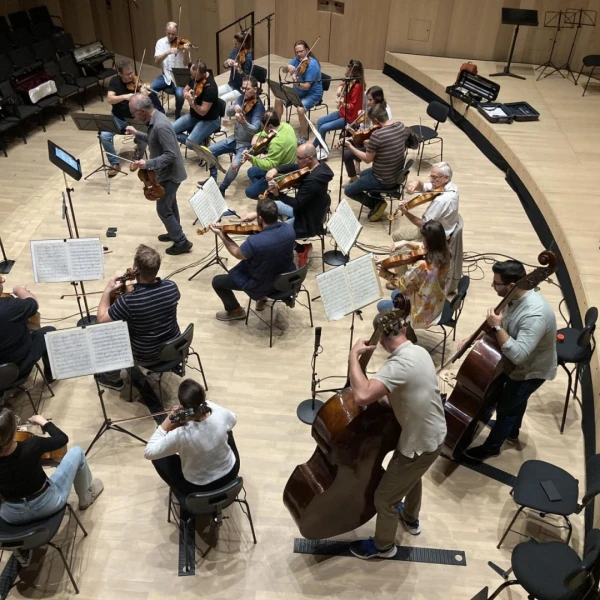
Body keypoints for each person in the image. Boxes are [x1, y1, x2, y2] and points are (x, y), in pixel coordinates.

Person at [348, 312, 446, 559]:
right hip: (435, 434)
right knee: (412, 477)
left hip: (419, 443)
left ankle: (383, 547)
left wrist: (353, 356)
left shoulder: (397, 366)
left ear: (380, 341)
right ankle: (410, 519)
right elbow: (399, 391)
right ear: (404, 329)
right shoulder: (419, 352)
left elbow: (361, 395)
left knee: (384, 499)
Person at [463, 260, 557, 461]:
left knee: (506, 408)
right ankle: (512, 432)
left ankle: (491, 448)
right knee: (516, 402)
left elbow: (519, 355)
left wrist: (497, 327)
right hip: (517, 365)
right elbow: (502, 323)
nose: (492, 286)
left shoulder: (534, 315)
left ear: (512, 285)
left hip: (529, 370)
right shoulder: (513, 296)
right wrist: (474, 337)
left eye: (496, 283)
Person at [95, 245, 181, 417]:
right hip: (174, 347)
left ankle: (113, 379)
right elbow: (152, 300)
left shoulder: (128, 302)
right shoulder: (171, 287)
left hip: (147, 356)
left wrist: (108, 289)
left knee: (108, 335)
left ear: (135, 269)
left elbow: (101, 319)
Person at [0, 409, 103, 530]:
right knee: (77, 452)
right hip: (47, 506)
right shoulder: (32, 445)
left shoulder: (31, 446)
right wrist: (43, 422)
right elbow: (62, 438)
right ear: (14, 431)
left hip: (12, 516)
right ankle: (85, 498)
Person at [144, 379, 239, 503]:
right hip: (230, 474)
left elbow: (148, 452)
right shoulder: (221, 415)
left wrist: (165, 425)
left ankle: (182, 495)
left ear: (182, 404)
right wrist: (207, 404)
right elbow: (233, 419)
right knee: (227, 431)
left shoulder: (180, 435)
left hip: (199, 487)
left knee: (158, 459)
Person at [241, 143, 333, 267]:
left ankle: (302, 249)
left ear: (310, 159)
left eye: (299, 158)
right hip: (306, 210)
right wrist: (276, 169)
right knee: (273, 204)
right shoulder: (318, 166)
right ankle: (257, 215)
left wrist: (278, 193)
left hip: (307, 221)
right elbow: (294, 166)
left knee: (275, 234)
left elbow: (297, 203)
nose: (297, 161)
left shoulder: (313, 181)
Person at [126, 94, 192, 255]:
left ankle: (181, 241)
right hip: (166, 172)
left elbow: (171, 155)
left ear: (142, 111)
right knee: (171, 204)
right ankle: (174, 231)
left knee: (163, 209)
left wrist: (148, 163)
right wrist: (136, 133)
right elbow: (153, 139)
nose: (133, 117)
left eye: (133, 113)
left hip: (171, 174)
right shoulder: (155, 119)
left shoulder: (160, 126)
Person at [210, 198, 296, 321]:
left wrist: (222, 234)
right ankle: (265, 298)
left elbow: (237, 253)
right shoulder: (289, 229)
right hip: (286, 279)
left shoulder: (254, 242)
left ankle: (235, 310)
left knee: (217, 282)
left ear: (260, 218)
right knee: (267, 260)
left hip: (263, 283)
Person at [393, 162, 462, 293]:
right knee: (397, 235)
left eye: (434, 177)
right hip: (435, 230)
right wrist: (416, 183)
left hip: (434, 237)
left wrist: (405, 212)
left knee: (398, 253)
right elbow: (424, 186)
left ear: (446, 178)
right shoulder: (449, 186)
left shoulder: (442, 200)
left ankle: (404, 284)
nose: (431, 180)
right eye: (431, 176)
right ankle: (405, 273)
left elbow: (423, 224)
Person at [376, 220, 450, 332]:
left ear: (429, 241)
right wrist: (406, 242)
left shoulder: (422, 266)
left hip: (422, 312)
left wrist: (384, 272)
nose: (422, 241)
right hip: (437, 303)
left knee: (381, 305)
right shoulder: (446, 253)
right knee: (395, 294)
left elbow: (402, 284)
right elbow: (423, 248)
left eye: (423, 238)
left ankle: (404, 331)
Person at [199, 75, 265, 197]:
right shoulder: (242, 98)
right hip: (234, 139)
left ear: (255, 89)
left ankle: (222, 189)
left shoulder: (258, 107)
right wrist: (234, 108)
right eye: (243, 88)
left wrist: (243, 122)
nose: (244, 91)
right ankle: (212, 179)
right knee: (209, 151)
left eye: (248, 89)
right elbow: (228, 112)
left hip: (246, 145)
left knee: (234, 166)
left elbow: (255, 130)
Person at [343, 103, 407, 222]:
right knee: (362, 174)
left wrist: (350, 147)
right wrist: (370, 143)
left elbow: (367, 159)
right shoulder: (400, 126)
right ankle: (377, 199)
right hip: (396, 174)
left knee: (348, 190)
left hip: (384, 179)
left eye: (372, 121)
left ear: (376, 120)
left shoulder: (377, 135)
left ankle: (375, 203)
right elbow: (388, 144)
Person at [101, 59, 161, 177]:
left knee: (143, 135)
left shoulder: (136, 82)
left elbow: (146, 105)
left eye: (132, 72)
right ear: (120, 74)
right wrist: (125, 97)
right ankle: (114, 163)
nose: (131, 76)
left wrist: (143, 95)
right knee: (104, 136)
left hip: (135, 119)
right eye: (128, 74)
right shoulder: (114, 81)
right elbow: (110, 99)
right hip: (117, 118)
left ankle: (137, 158)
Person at [0, 276, 55, 383]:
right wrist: (19, 289)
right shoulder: (10, 307)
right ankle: (51, 376)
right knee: (49, 332)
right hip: (18, 369)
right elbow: (33, 303)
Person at [274, 40, 323, 144]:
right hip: (297, 93)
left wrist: (297, 83)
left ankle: (304, 135)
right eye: (297, 52)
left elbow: (306, 86)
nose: (299, 54)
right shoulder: (297, 59)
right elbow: (284, 70)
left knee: (300, 109)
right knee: (278, 98)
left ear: (307, 50)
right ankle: (276, 127)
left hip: (312, 94)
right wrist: (287, 68)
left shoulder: (312, 65)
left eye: (301, 51)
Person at [314, 60, 364, 160]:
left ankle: (318, 149)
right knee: (319, 122)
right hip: (342, 112)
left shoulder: (357, 86)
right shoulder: (350, 81)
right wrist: (340, 88)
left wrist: (342, 103)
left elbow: (352, 106)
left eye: (348, 71)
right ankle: (321, 147)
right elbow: (343, 84)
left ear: (354, 73)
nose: (346, 72)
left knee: (323, 128)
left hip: (349, 118)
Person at [243, 110, 297, 199]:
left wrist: (252, 159)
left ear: (270, 126)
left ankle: (275, 197)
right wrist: (257, 136)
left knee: (249, 192)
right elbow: (268, 133)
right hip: (289, 163)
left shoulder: (276, 143)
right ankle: (264, 189)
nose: (262, 130)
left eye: (263, 127)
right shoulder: (286, 126)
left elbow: (270, 165)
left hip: (280, 173)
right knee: (251, 172)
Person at [343, 86, 392, 183]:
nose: (368, 102)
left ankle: (356, 176)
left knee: (348, 153)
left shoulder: (386, 111)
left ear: (377, 99)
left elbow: (384, 131)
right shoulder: (372, 108)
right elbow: (368, 128)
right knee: (355, 141)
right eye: (367, 99)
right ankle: (355, 173)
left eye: (370, 100)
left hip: (379, 144)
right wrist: (357, 129)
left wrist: (366, 139)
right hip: (372, 137)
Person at [172, 60, 220, 151]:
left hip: (209, 120)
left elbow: (203, 111)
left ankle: (201, 143)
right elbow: (185, 90)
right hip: (194, 115)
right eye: (192, 75)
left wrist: (191, 102)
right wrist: (186, 94)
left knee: (189, 144)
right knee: (170, 131)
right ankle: (200, 141)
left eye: (194, 76)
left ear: (203, 75)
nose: (192, 78)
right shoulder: (195, 78)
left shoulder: (211, 88)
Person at [151, 21, 192, 120]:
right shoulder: (160, 42)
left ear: (177, 33)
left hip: (179, 78)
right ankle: (161, 112)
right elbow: (157, 61)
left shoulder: (183, 42)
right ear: (165, 30)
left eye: (173, 34)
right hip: (166, 76)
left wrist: (186, 51)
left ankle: (178, 112)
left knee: (180, 94)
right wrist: (167, 52)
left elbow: (186, 63)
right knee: (150, 90)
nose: (170, 36)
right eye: (168, 33)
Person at [218, 31, 254, 102]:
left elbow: (246, 77)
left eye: (236, 43)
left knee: (222, 99)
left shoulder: (248, 58)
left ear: (243, 44)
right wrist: (226, 62)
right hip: (231, 84)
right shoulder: (235, 51)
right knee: (214, 92)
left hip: (240, 89)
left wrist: (239, 70)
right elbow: (226, 65)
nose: (234, 45)